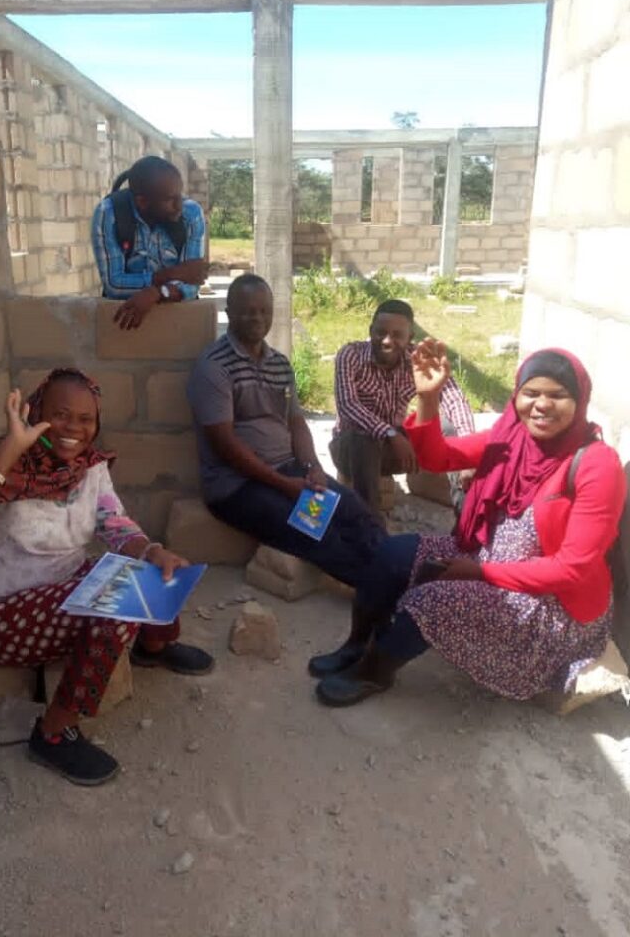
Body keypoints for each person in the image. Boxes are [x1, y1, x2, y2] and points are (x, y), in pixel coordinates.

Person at [0, 368, 214, 786]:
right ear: (36, 410)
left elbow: (113, 522)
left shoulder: (88, 466)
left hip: (64, 588)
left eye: (86, 419)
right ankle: (54, 733)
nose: (74, 429)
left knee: (150, 570)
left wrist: (153, 550)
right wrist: (12, 447)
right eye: (61, 415)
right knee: (118, 604)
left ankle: (152, 647)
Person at [311, 342, 626, 707]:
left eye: (558, 395)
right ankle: (357, 645)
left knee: (433, 599)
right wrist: (428, 399)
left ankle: (374, 673)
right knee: (389, 554)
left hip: (547, 602)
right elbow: (437, 456)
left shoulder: (596, 465)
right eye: (531, 393)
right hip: (486, 554)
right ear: (516, 395)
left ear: (581, 399)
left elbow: (571, 569)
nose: (542, 405)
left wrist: (480, 573)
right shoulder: (512, 438)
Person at [187, 273, 387, 599]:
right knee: (314, 531)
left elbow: (296, 422)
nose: (257, 318)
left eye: (264, 311)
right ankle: (382, 587)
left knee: (353, 509)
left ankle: (398, 565)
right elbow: (224, 445)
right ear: (229, 312)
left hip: (288, 472)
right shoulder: (213, 367)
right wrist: (285, 486)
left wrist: (312, 467)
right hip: (236, 487)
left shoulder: (279, 363)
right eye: (248, 311)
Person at [331, 299, 475, 522]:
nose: (387, 341)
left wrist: (468, 451)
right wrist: (390, 435)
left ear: (410, 337)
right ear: (370, 331)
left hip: (399, 450)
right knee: (362, 436)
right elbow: (348, 406)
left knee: (448, 427)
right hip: (351, 449)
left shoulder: (419, 359)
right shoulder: (350, 355)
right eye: (380, 332)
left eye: (397, 335)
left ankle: (466, 516)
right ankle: (369, 525)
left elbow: (454, 399)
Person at [91, 155, 208, 330]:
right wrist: (170, 275)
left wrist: (158, 293)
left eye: (180, 196)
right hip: (127, 323)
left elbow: (192, 282)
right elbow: (114, 285)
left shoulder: (191, 214)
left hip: (178, 322)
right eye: (170, 199)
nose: (179, 206)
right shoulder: (109, 214)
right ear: (142, 202)